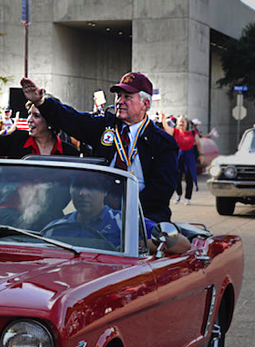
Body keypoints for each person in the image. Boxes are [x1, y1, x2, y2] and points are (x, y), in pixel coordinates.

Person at [20, 73, 179, 222]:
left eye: (127, 97)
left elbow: (161, 190)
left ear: (145, 103)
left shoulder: (163, 143)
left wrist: (127, 213)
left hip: (144, 218)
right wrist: (41, 102)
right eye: (118, 96)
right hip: (99, 216)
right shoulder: (103, 126)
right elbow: (72, 119)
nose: (119, 101)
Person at [43, 173, 190, 254]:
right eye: (77, 187)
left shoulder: (126, 221)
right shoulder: (55, 228)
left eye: (91, 187)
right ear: (70, 190)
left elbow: (182, 244)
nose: (83, 193)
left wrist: (135, 245)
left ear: (105, 192)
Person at [161, 114, 202, 206]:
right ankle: (178, 194)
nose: (181, 123)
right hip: (178, 157)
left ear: (187, 123)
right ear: (177, 123)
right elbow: (166, 128)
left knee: (189, 178)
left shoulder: (193, 133)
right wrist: (163, 118)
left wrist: (201, 155)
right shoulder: (175, 131)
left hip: (189, 158)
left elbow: (199, 144)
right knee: (176, 178)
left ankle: (187, 198)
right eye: (180, 121)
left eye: (183, 121)